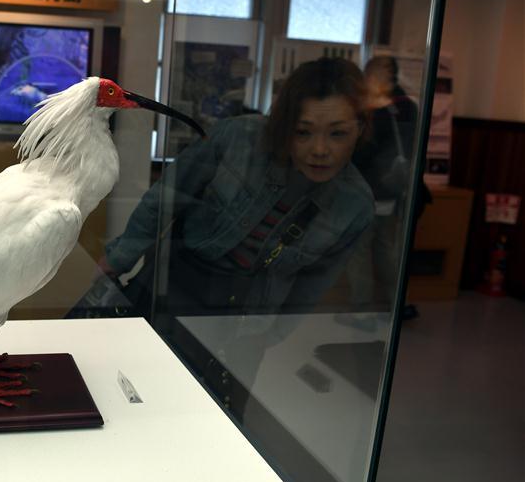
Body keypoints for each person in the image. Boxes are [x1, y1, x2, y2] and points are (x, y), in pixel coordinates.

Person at [99, 57, 375, 319]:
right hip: (176, 283)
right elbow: (164, 199)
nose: (320, 150)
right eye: (303, 132)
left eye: (338, 133)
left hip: (247, 320)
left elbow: (312, 284)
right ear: (286, 125)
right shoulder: (237, 138)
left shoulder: (355, 203)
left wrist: (269, 335)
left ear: (360, 129)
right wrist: (117, 260)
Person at [348, 56, 429, 314]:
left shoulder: (377, 112)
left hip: (369, 188)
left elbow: (364, 151)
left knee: (358, 249)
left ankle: (361, 309)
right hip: (395, 189)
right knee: (386, 246)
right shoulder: (409, 107)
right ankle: (398, 302)